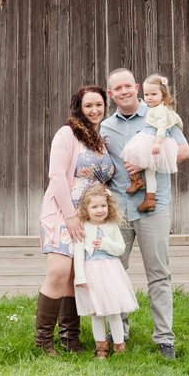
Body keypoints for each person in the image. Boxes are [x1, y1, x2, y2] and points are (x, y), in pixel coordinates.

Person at [100, 68, 189, 360]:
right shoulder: (106, 127)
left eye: (128, 85)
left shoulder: (157, 112)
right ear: (111, 94)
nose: (124, 91)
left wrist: (145, 161)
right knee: (114, 271)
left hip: (155, 207)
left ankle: (164, 339)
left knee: (159, 274)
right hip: (119, 210)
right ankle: (119, 333)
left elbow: (184, 152)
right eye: (118, 88)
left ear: (137, 87)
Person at [35, 84, 115, 355]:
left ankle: (71, 339)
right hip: (62, 211)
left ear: (105, 106)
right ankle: (43, 341)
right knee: (58, 271)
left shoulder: (101, 139)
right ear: (79, 109)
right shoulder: (67, 134)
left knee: (74, 275)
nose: (94, 110)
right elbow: (57, 176)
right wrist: (70, 215)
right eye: (88, 105)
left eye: (99, 105)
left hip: (89, 218)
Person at [72, 184, 139, 360]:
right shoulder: (83, 226)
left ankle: (119, 345)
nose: (99, 210)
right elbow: (79, 253)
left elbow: (120, 249)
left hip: (111, 271)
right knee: (96, 312)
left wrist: (105, 244)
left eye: (103, 205)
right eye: (94, 207)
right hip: (91, 272)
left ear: (109, 206)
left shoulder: (112, 226)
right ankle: (100, 347)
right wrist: (79, 276)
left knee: (114, 310)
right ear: (86, 209)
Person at [121, 74, 183, 213]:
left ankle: (137, 181)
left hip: (153, 140)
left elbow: (161, 127)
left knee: (129, 154)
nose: (149, 97)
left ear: (164, 95)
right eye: (147, 94)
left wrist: (157, 143)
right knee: (150, 174)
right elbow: (178, 120)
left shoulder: (159, 110)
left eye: (154, 94)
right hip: (154, 140)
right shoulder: (166, 110)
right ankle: (150, 199)